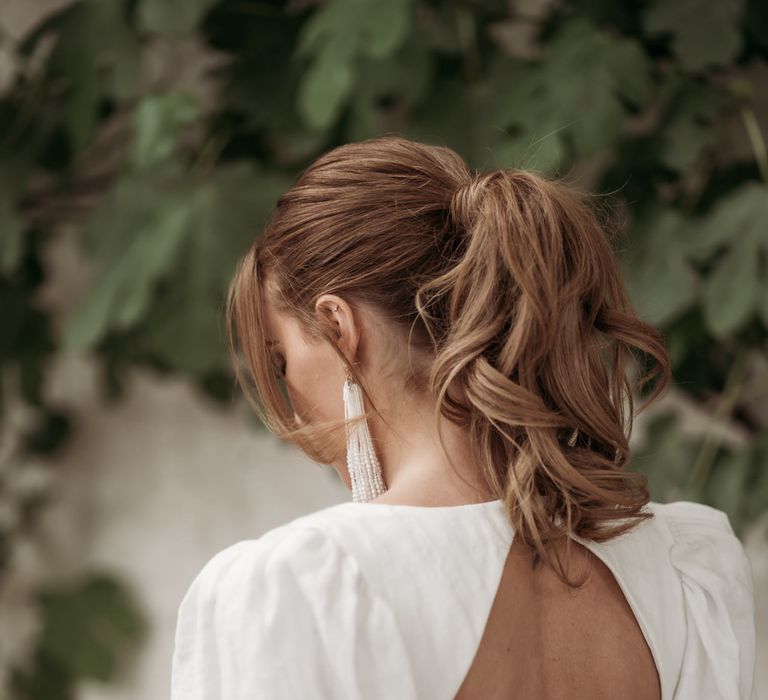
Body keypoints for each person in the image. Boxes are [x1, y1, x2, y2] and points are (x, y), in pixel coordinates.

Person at [170, 135, 757, 699]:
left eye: (281, 359)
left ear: (339, 328)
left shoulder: (304, 588)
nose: (293, 397)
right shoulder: (687, 570)